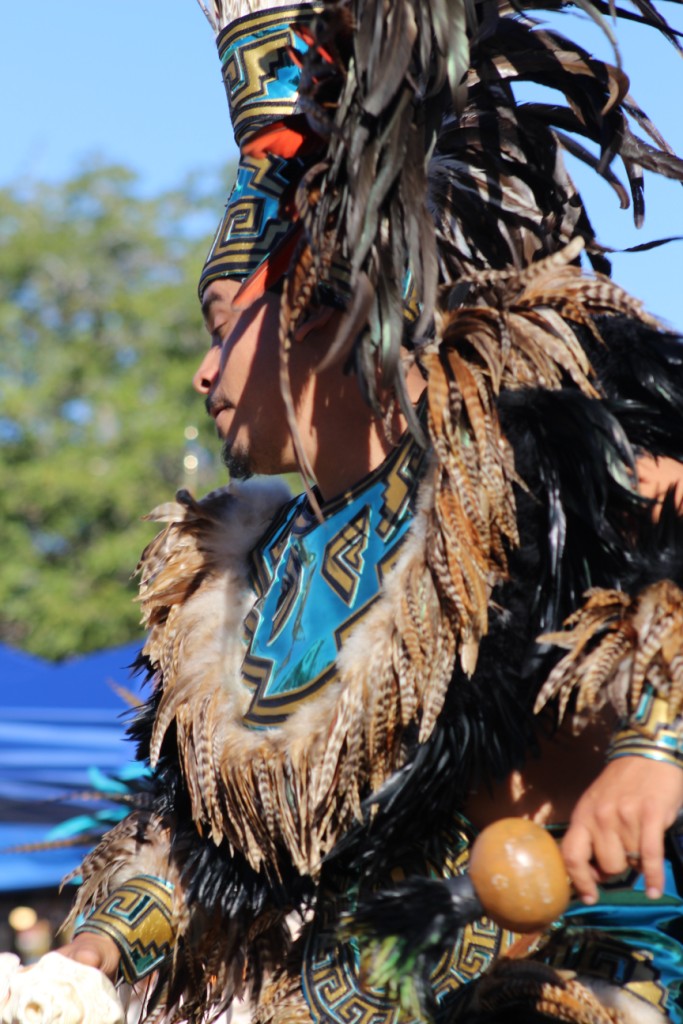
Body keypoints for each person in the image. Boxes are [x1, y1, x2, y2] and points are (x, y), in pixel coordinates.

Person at [42, 0, 683, 1021]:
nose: (205, 371)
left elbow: (667, 568)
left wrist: (651, 751)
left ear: (313, 310)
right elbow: (192, 836)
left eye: (222, 328)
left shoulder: (526, 458)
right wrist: (85, 956)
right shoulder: (241, 573)